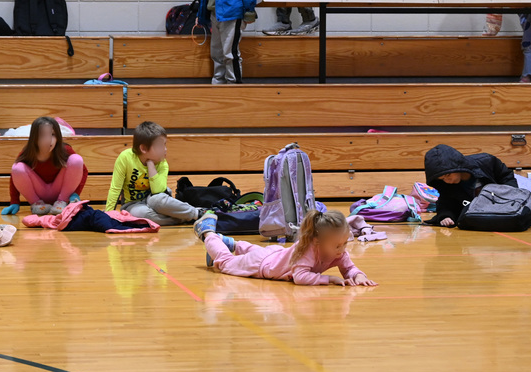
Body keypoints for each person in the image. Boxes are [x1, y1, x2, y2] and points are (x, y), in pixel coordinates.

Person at [195, 208, 377, 287]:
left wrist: (358, 275)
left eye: (345, 243)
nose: (342, 249)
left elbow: (349, 268)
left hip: (276, 255)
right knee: (225, 263)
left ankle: (231, 243)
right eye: (337, 245)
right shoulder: (308, 251)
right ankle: (208, 233)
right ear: (317, 241)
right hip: (263, 265)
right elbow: (300, 277)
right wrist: (328, 279)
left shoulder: (338, 252)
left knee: (255, 251)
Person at [423, 143, 531, 228]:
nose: (446, 181)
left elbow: (506, 176)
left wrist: (512, 195)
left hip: (501, 201)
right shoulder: (446, 185)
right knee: (467, 221)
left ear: (457, 167)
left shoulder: (487, 161)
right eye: (442, 179)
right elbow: (445, 203)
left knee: (517, 210)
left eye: (448, 175)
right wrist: (445, 216)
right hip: (474, 214)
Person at [104, 121, 201, 226]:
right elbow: (115, 188)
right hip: (132, 204)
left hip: (155, 197)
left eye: (165, 144)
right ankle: (186, 218)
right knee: (140, 214)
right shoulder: (125, 158)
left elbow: (157, 191)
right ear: (144, 149)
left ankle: (198, 213)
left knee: (158, 201)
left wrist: (150, 164)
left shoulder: (162, 163)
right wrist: (108, 214)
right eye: (160, 145)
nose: (165, 149)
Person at [3, 117, 88, 216]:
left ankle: (61, 202)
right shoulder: (28, 152)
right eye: (43, 135)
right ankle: (36, 204)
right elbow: (15, 175)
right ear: (35, 137)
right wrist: (14, 201)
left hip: (61, 193)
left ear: (58, 136)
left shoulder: (65, 149)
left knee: (76, 160)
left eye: (52, 135)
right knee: (17, 167)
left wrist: (76, 193)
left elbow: (83, 170)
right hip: (39, 193)